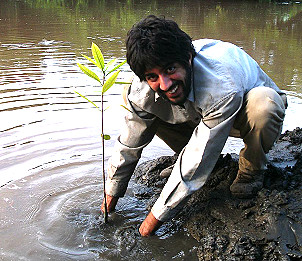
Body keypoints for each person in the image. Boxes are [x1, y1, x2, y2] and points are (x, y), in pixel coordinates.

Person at [101, 15, 287, 237]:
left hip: (242, 111)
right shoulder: (143, 88)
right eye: (153, 76)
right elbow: (129, 145)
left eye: (170, 69)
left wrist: (149, 225)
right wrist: (108, 203)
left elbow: (197, 159)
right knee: (145, 102)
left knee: (264, 105)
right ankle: (197, 158)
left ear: (188, 58)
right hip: (198, 110)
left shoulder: (221, 85)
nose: (166, 84)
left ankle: (252, 169)